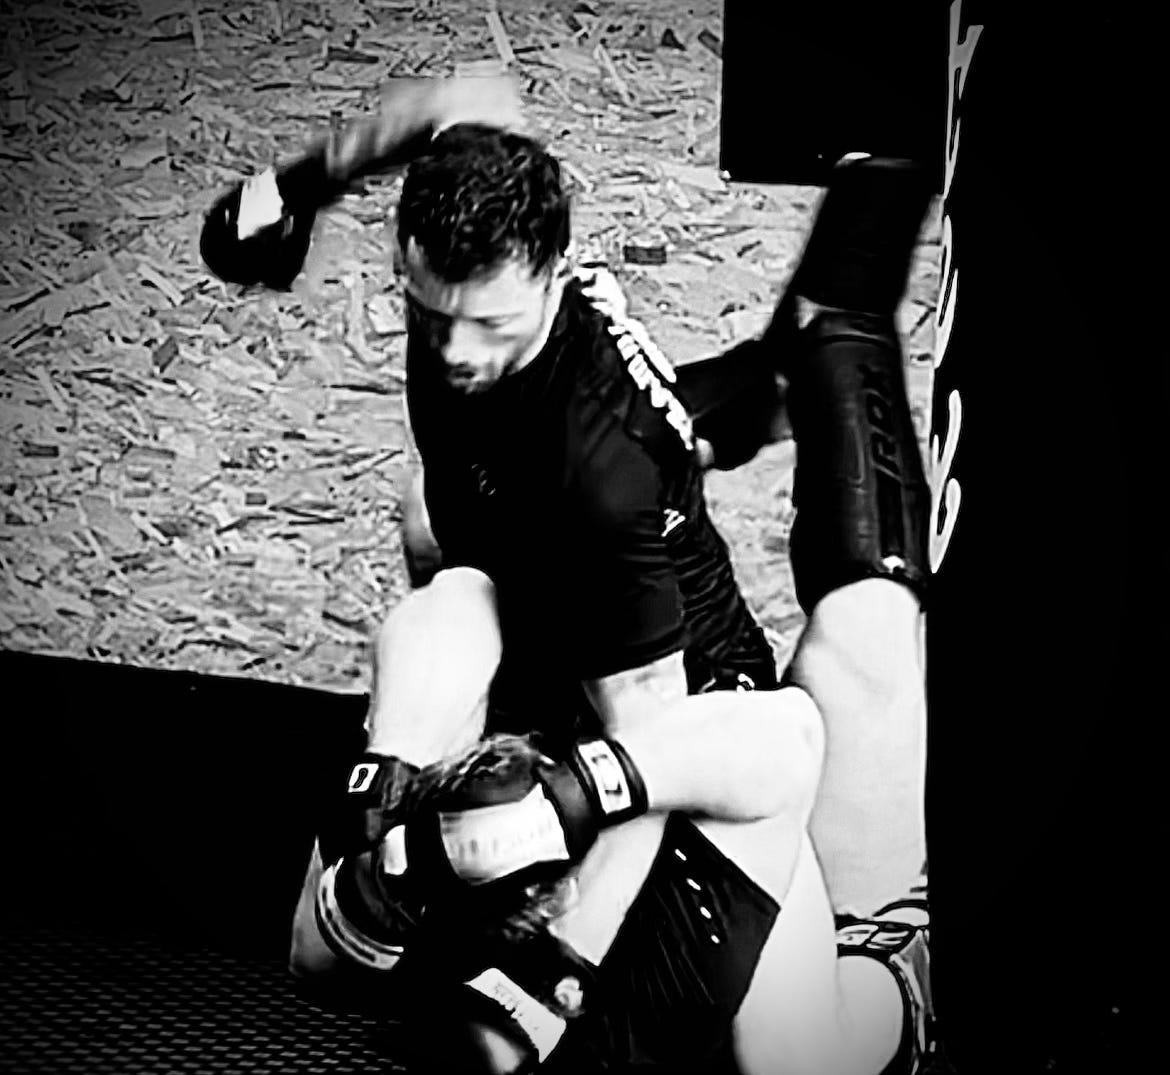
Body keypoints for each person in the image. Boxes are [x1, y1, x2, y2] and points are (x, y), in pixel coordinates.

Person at [200, 83, 933, 1072]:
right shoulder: (484, 222)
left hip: (687, 718)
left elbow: (658, 741)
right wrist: (302, 181)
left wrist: (555, 975)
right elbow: (466, 94)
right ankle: (772, 376)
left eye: (490, 324)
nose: (456, 352)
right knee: (450, 550)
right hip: (559, 628)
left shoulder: (600, 480)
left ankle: (900, 988)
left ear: (553, 273)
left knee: (802, 1057)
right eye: (433, 313)